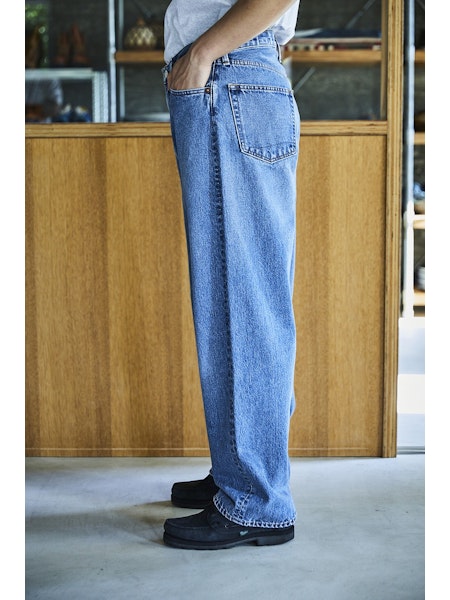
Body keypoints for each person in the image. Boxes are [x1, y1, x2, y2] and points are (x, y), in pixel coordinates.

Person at [162, 0, 301, 550]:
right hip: (232, 76)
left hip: (229, 75)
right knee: (231, 297)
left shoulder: (217, 60)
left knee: (244, 300)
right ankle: (236, 472)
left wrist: (202, 54)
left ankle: (257, 499)